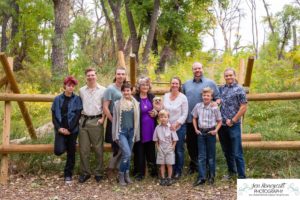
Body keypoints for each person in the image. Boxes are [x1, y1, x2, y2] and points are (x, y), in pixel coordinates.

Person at [182, 62, 220, 175]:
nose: (197, 70)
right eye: (195, 69)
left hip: (206, 121)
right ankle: (194, 165)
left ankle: (207, 167)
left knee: (205, 145)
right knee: (191, 144)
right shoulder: (186, 84)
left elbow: (218, 98)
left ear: (202, 69)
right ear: (192, 70)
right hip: (190, 119)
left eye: (199, 68)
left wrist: (215, 103)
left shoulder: (210, 83)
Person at [52, 76, 82, 183]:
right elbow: (54, 116)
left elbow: (78, 115)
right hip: (60, 130)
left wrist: (70, 129)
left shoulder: (77, 99)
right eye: (69, 85)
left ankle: (68, 174)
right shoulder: (57, 99)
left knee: (71, 152)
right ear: (65, 86)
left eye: (73, 86)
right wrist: (59, 128)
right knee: (58, 151)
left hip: (72, 130)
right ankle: (63, 142)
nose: (71, 88)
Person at [218, 68, 248, 179]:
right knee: (227, 151)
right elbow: (217, 101)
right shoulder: (221, 89)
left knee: (237, 152)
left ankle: (242, 176)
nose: (229, 77)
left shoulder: (239, 89)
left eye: (231, 75)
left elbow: (244, 107)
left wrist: (234, 120)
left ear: (234, 76)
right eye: (226, 76)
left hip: (233, 125)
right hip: (222, 125)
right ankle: (232, 173)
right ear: (224, 77)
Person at [78, 68, 106, 183]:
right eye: (88, 75)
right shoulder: (81, 90)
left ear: (96, 76)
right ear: (86, 77)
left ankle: (99, 172)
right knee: (84, 149)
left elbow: (106, 106)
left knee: (98, 148)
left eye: (93, 75)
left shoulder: (103, 90)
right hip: (84, 121)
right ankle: (85, 173)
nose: (91, 77)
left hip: (96, 120)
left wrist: (103, 119)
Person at [191, 87, 222, 186]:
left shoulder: (214, 107)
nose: (206, 97)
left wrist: (216, 130)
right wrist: (196, 129)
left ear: (211, 97)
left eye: (208, 95)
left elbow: (220, 121)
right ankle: (202, 177)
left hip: (210, 133)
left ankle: (211, 176)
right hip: (201, 133)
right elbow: (194, 118)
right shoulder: (198, 106)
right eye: (204, 95)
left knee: (211, 156)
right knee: (201, 156)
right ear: (202, 96)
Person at [112, 82, 140, 186]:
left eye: (128, 90)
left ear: (131, 91)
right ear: (122, 91)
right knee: (127, 154)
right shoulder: (117, 104)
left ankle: (126, 175)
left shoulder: (135, 104)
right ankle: (120, 175)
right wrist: (115, 135)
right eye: (124, 90)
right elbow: (114, 121)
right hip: (121, 132)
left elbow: (137, 121)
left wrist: (136, 134)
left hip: (131, 132)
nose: (126, 92)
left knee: (127, 155)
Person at [103, 66, 127, 178]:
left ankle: (117, 168)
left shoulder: (127, 88)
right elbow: (105, 107)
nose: (120, 76)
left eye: (123, 74)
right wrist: (113, 121)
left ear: (125, 76)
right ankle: (111, 169)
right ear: (115, 75)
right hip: (114, 119)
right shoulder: (110, 89)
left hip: (126, 120)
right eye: (118, 74)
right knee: (117, 146)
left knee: (125, 145)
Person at [163, 77, 188, 179]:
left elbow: (185, 113)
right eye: (173, 83)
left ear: (179, 85)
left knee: (178, 150)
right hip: (167, 127)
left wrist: (177, 124)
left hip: (179, 128)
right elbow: (163, 110)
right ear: (170, 84)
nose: (174, 85)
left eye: (176, 83)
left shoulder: (183, 97)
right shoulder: (166, 96)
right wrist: (167, 123)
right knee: (169, 149)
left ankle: (178, 171)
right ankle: (170, 170)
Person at [133, 76, 158, 181]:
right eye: (142, 84)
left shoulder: (152, 96)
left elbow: (159, 109)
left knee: (151, 150)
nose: (145, 86)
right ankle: (139, 173)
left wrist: (156, 112)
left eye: (147, 84)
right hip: (139, 128)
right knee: (139, 150)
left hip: (151, 128)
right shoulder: (135, 97)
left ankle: (153, 171)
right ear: (139, 86)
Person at [153, 110, 178, 186]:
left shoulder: (171, 127)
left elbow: (175, 139)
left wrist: (173, 146)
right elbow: (155, 139)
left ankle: (169, 178)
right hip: (161, 148)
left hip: (169, 148)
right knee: (162, 164)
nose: (163, 118)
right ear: (159, 118)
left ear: (168, 118)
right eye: (161, 117)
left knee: (169, 164)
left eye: (165, 117)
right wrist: (157, 147)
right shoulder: (157, 128)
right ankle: (163, 178)